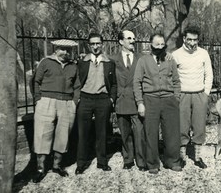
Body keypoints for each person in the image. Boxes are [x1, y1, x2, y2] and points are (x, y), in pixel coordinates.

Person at [32, 39, 80, 183]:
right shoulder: (46, 62)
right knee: (42, 134)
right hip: (46, 101)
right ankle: (40, 169)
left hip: (67, 102)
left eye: (68, 50)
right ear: (56, 49)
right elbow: (36, 81)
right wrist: (38, 99)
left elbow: (77, 85)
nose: (65, 53)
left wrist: (74, 102)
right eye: (62, 49)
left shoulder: (73, 66)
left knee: (63, 134)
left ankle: (57, 166)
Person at [133, 33, 182, 174]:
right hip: (150, 99)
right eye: (157, 44)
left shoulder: (170, 60)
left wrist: (176, 98)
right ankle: (152, 163)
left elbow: (176, 81)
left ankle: (172, 161)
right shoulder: (143, 61)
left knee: (172, 133)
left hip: (169, 99)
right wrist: (140, 103)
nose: (160, 47)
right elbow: (137, 82)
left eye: (162, 44)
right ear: (151, 45)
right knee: (151, 133)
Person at [172, 25, 213, 169]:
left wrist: (205, 93)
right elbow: (171, 76)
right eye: (189, 39)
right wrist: (176, 94)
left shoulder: (203, 53)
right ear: (184, 39)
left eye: (195, 40)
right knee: (182, 125)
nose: (192, 43)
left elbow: (209, 74)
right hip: (182, 95)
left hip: (199, 94)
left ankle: (197, 157)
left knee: (199, 126)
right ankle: (182, 157)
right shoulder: (176, 55)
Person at [75, 33, 117, 174]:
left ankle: (102, 162)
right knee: (83, 133)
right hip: (85, 99)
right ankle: (81, 163)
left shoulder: (109, 62)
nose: (95, 46)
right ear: (88, 45)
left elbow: (114, 83)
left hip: (102, 100)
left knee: (102, 132)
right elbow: (76, 81)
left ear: (102, 44)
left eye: (98, 43)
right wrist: (78, 98)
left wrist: (111, 99)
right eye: (92, 44)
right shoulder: (82, 62)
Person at [109, 30, 147, 171]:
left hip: (137, 101)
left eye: (134, 38)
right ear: (121, 41)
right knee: (124, 134)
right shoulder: (112, 59)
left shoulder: (141, 58)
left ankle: (141, 161)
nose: (133, 41)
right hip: (121, 101)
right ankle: (128, 159)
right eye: (129, 38)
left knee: (139, 133)